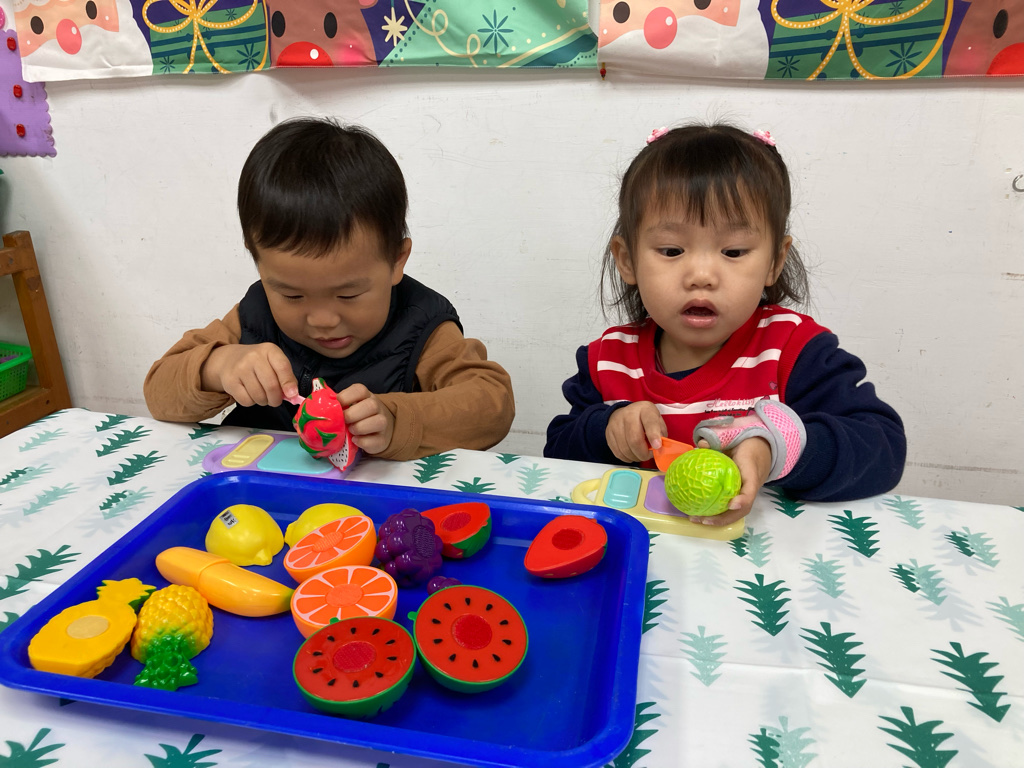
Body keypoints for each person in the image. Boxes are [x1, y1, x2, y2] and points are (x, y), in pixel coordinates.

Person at [544, 123, 905, 526]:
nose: (701, 275)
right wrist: (605, 429)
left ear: (775, 261)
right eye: (672, 250)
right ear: (627, 260)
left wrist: (775, 448)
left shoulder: (792, 351)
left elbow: (883, 447)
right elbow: (557, 454)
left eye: (733, 251)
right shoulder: (609, 361)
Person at [145, 117, 515, 461]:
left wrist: (395, 419)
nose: (322, 320)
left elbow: (491, 405)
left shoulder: (422, 324)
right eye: (292, 295)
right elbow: (158, 393)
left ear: (396, 261)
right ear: (258, 263)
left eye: (347, 295)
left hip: (372, 504)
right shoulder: (254, 316)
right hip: (260, 496)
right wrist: (217, 367)